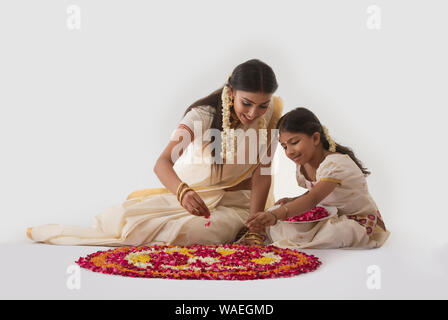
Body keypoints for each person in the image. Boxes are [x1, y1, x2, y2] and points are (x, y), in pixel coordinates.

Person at [26, 59, 283, 246]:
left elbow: (263, 172)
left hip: (241, 203)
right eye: (246, 103)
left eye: (262, 105)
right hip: (198, 197)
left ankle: (238, 229)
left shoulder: (271, 114)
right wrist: (183, 193)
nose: (253, 113)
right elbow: (162, 162)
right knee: (126, 221)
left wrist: (254, 225)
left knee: (199, 234)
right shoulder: (202, 116)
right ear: (231, 92)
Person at [245, 107, 390, 249]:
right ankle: (299, 235)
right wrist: (292, 201)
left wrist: (275, 215)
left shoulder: (335, 164)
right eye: (284, 147)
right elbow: (315, 192)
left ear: (315, 138)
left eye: (294, 142)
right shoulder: (304, 165)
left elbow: (313, 198)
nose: (289, 152)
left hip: (356, 220)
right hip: (329, 213)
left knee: (337, 232)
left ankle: (302, 237)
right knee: (280, 210)